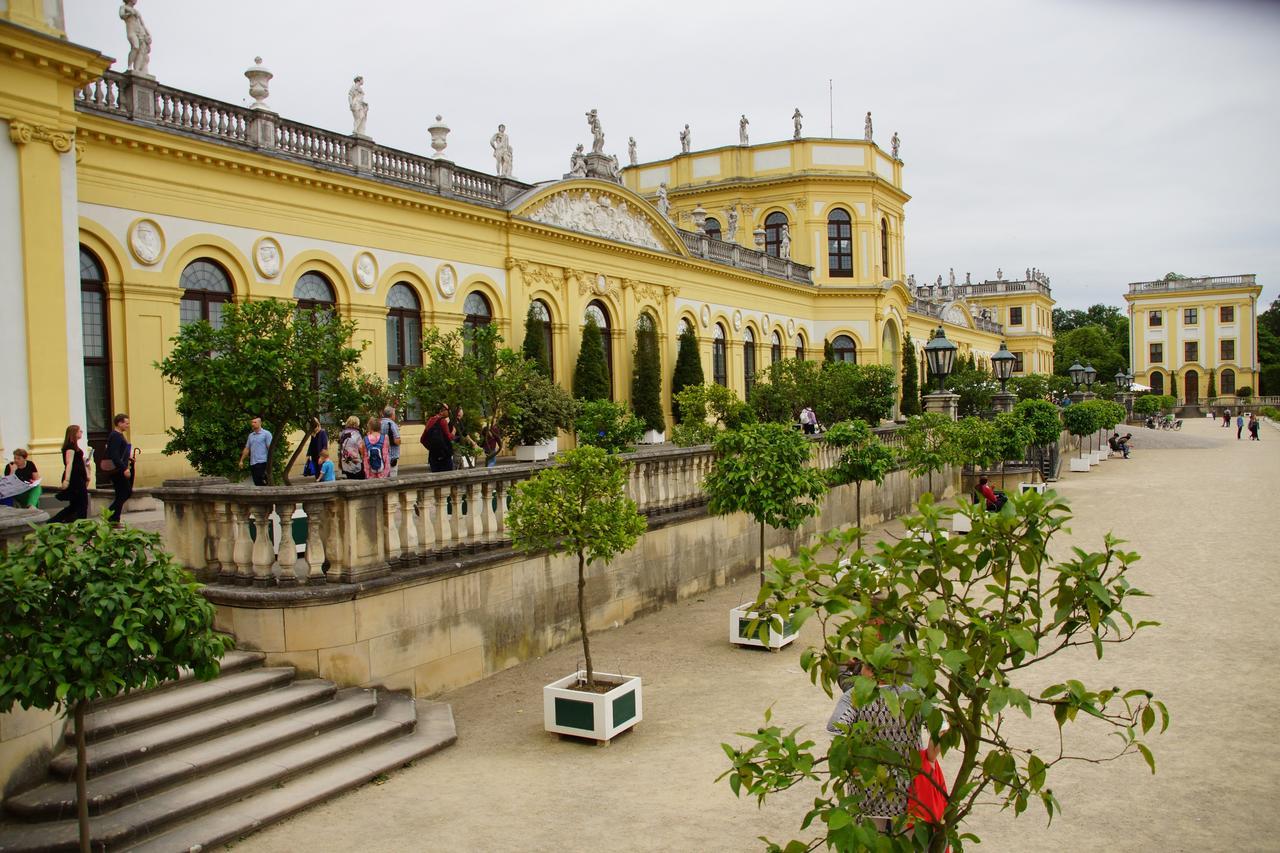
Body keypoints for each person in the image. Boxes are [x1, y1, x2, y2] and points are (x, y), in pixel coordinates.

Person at [826, 660, 921, 833]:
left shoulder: (856, 695)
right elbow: (941, 728)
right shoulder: (914, 695)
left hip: (868, 785)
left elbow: (836, 727)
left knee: (871, 841)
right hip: (910, 786)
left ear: (870, 671)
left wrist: (851, 758)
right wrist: (929, 760)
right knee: (908, 842)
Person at [50, 425, 91, 522]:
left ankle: (54, 522)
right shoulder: (70, 446)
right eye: (79, 431)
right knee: (82, 504)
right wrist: (66, 480)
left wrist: (87, 472)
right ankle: (81, 524)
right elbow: (69, 463)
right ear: (74, 433)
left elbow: (77, 462)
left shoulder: (75, 446)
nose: (81, 432)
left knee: (75, 505)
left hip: (78, 477)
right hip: (74, 479)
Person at [105, 412, 137, 523]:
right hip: (118, 470)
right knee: (125, 492)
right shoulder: (115, 436)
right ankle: (110, 514)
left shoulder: (119, 435)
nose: (128, 425)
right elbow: (114, 455)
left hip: (120, 468)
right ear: (119, 423)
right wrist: (125, 468)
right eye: (126, 423)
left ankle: (114, 519)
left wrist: (129, 458)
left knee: (122, 493)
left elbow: (120, 452)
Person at [421, 403, 456, 473]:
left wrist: (432, 447)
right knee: (447, 478)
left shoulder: (430, 420)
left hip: (433, 456)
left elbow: (422, 439)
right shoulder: (443, 421)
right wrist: (453, 432)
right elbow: (449, 437)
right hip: (444, 456)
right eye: (447, 410)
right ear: (442, 411)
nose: (449, 412)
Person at [238, 416, 273, 486]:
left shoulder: (266, 434)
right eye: (252, 422)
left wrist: (270, 462)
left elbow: (270, 448)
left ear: (260, 423)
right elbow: (247, 448)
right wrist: (241, 460)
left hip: (262, 462)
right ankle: (261, 495)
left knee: (262, 481)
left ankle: (265, 495)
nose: (252, 424)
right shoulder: (251, 435)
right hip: (253, 462)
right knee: (256, 482)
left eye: (255, 422)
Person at [338, 416, 367, 480]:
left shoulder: (342, 433)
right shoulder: (356, 434)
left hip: (345, 461)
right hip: (355, 462)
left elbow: (340, 448)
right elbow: (361, 448)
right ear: (356, 424)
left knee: (349, 480)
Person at [380, 406, 402, 477]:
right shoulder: (392, 424)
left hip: (381, 456)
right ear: (392, 414)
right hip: (392, 456)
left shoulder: (379, 423)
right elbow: (396, 440)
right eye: (394, 413)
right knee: (392, 478)